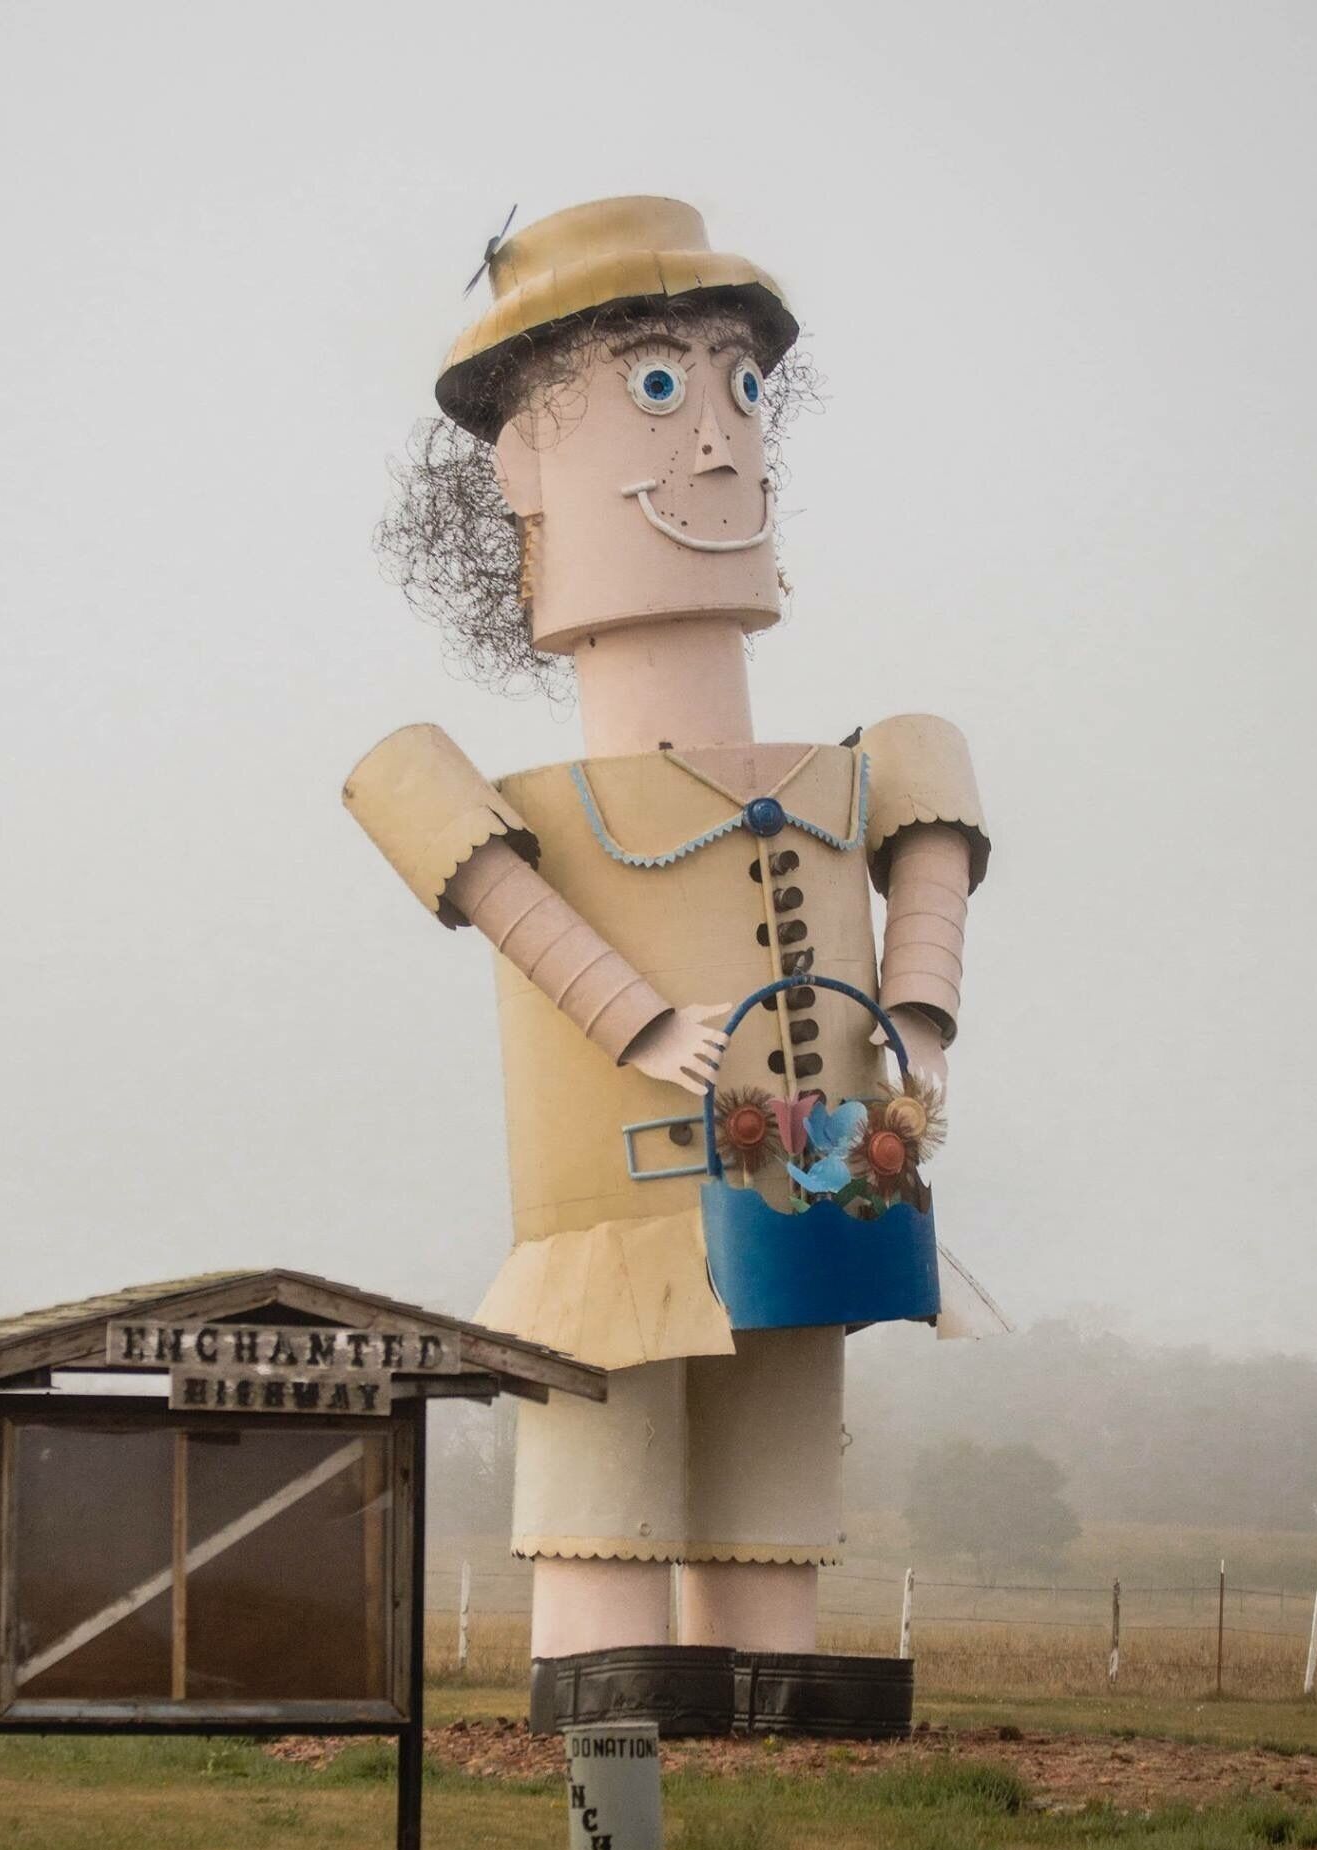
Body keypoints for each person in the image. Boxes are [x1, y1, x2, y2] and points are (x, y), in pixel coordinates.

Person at [344, 197, 995, 1733]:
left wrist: (917, 1016)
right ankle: (605, 1679)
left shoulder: (874, 759)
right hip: (611, 1200)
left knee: (776, 1429)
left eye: (739, 387)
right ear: (519, 464)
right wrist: (633, 1018)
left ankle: (778, 1679)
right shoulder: (477, 794)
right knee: (607, 1419)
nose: (716, 440)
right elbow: (494, 890)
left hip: (816, 1179)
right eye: (655, 383)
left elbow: (933, 852)